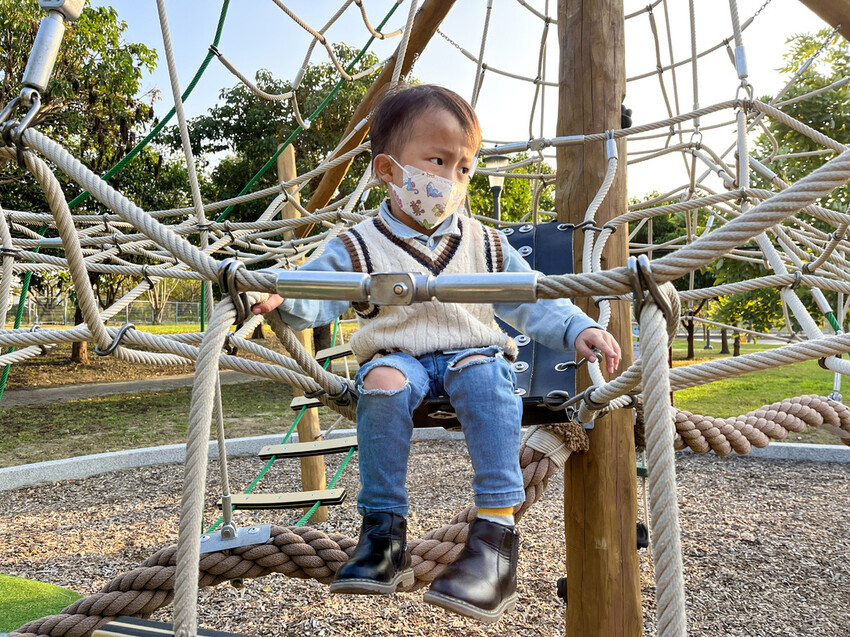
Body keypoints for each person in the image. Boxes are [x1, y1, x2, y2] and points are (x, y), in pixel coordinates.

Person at [251, 83, 621, 624]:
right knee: (379, 386)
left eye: (464, 168)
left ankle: (495, 541)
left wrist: (577, 328)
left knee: (488, 380)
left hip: (473, 351)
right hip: (397, 356)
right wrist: (280, 296)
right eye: (437, 160)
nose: (449, 180)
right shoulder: (359, 244)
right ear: (388, 170)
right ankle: (383, 535)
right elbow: (315, 290)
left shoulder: (486, 243)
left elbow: (529, 296)